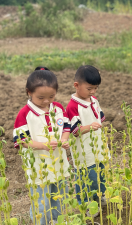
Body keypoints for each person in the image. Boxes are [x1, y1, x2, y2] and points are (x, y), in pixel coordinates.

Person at [13, 67, 70, 225]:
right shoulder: (25, 114)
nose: (46, 101)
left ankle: (58, 221)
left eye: (51, 96)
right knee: (41, 201)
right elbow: (21, 140)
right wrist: (42, 145)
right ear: (29, 92)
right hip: (38, 166)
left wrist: (64, 140)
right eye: (41, 97)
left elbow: (66, 127)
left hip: (58, 162)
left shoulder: (58, 108)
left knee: (59, 196)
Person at [66, 65, 108, 217]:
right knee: (86, 177)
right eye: (89, 88)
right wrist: (89, 127)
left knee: (99, 171)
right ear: (76, 85)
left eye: (95, 88)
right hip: (83, 150)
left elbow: (100, 117)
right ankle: (86, 204)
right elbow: (74, 131)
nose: (92, 92)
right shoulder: (72, 106)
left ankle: (99, 196)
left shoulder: (93, 100)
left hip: (97, 145)